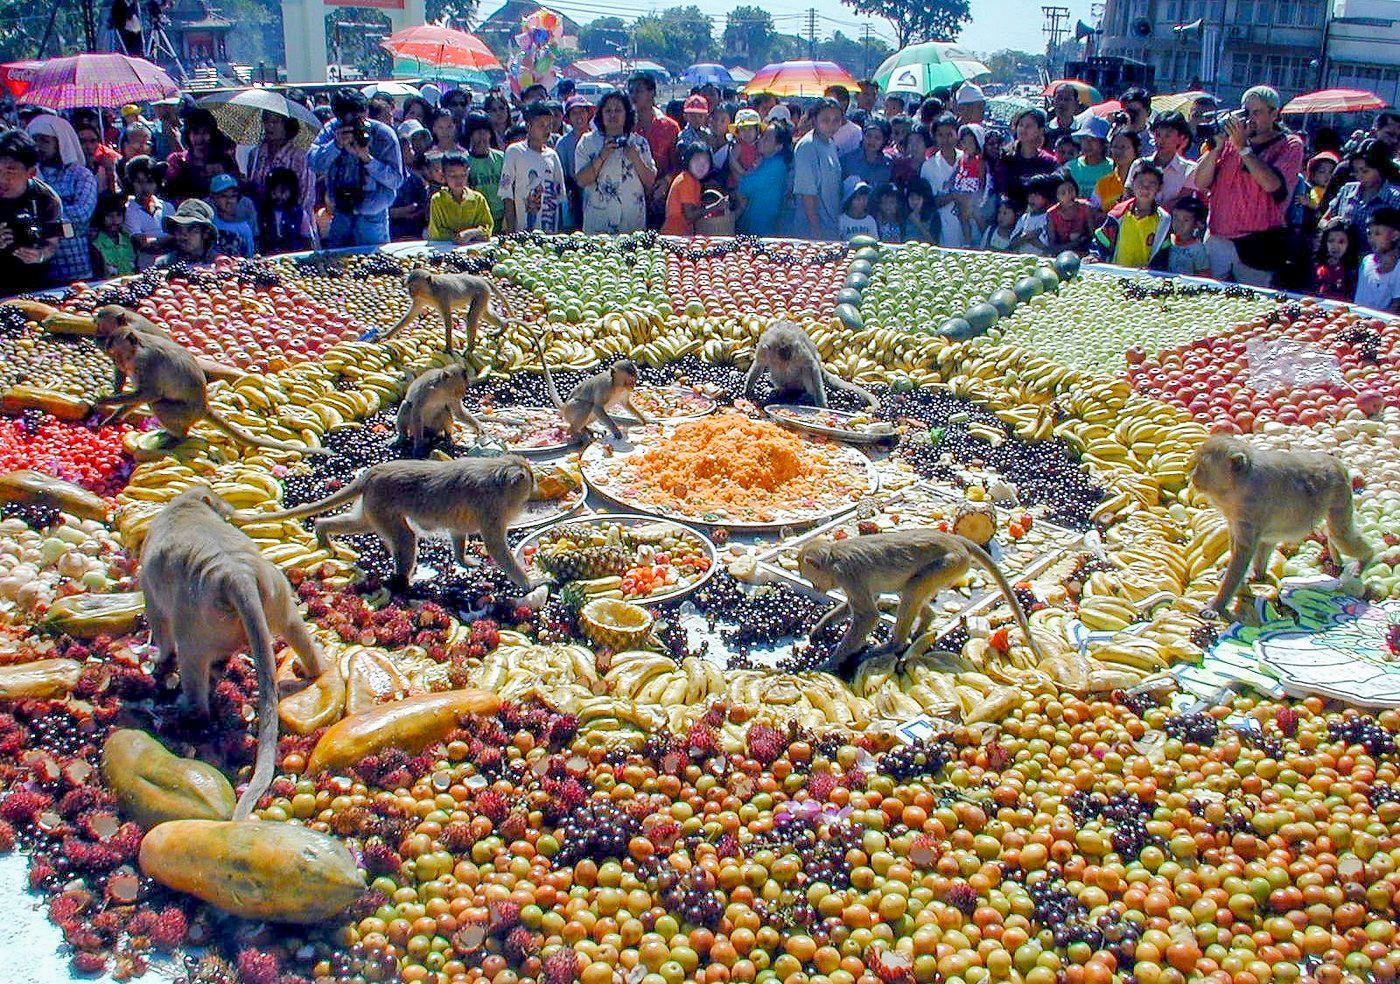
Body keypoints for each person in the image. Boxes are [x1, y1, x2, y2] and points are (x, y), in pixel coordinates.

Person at [1192, 84, 1305, 286]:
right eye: (1246, 112)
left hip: (1258, 244)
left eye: (1257, 112)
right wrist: (1215, 149)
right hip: (1218, 238)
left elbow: (1272, 184)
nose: (1250, 118)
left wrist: (1243, 148)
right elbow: (1200, 182)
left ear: (1274, 113)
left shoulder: (1289, 145)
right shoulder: (1231, 141)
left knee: (1252, 304)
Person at [309, 90, 405, 248]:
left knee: (375, 267)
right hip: (340, 212)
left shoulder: (383, 134)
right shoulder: (332, 129)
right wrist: (335, 145)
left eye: (355, 117)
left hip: (372, 216)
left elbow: (396, 180)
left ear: (365, 111)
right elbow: (313, 163)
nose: (350, 124)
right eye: (343, 118)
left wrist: (367, 159)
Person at [27, 115, 96, 284]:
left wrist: (42, 216)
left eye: (45, 141)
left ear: (61, 142)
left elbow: (81, 214)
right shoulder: (29, 176)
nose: (38, 146)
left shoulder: (80, 175)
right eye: (34, 140)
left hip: (76, 265)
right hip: (41, 268)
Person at [0, 130, 63, 292]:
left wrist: (40, 254)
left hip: (35, 282)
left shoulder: (47, 199)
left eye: (10, 171)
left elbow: (53, 243)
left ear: (31, 172)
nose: (2, 179)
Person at [246, 111, 314, 245]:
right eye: (266, 121)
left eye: (275, 122)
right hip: (263, 223)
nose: (269, 126)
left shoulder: (300, 156)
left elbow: (306, 196)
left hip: (294, 225)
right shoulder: (255, 154)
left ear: (287, 126)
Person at [1089, 162, 1170, 268]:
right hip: (1118, 273)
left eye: (1152, 183)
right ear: (1132, 183)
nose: (1145, 188)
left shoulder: (1163, 220)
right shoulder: (1118, 214)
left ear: (1159, 187)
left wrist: (1153, 268)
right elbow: (1102, 241)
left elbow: (1163, 253)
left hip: (1146, 279)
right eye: (1141, 182)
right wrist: (1095, 255)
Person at [502, 102, 566, 233]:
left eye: (549, 125)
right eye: (541, 125)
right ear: (528, 126)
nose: (546, 130)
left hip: (549, 228)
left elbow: (560, 197)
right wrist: (511, 230)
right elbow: (507, 194)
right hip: (523, 229)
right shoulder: (514, 152)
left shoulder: (552, 155)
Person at [1322, 139, 1400, 245]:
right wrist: (1330, 226)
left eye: (1365, 171)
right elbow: (1324, 220)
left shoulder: (1395, 198)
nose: (1359, 176)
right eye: (1355, 171)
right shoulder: (1346, 191)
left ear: (1380, 169)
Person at [630, 74, 680, 230]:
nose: (633, 96)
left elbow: (677, 164)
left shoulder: (670, 127)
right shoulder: (626, 126)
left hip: (661, 197)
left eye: (638, 91)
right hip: (631, 195)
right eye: (631, 91)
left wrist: (665, 182)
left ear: (651, 93)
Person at [791, 97, 844, 240]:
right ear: (815, 120)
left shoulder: (830, 143)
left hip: (830, 225)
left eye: (836, 120)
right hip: (812, 230)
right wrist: (816, 232)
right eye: (826, 120)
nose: (831, 125)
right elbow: (807, 194)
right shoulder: (807, 146)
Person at [164, 108, 240, 203]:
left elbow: (235, 187)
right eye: (195, 133)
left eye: (204, 133)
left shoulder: (224, 160)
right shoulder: (178, 160)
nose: (199, 138)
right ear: (188, 134)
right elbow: (170, 192)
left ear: (212, 134)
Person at [735, 120, 792, 237]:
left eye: (767, 139)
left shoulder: (776, 166)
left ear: (778, 147)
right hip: (755, 227)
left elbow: (744, 187)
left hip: (763, 229)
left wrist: (733, 161)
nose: (760, 140)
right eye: (762, 136)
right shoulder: (765, 160)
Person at [998, 108, 1059, 210]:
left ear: (1040, 130)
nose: (1023, 129)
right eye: (1021, 125)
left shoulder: (1049, 162)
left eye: (1029, 126)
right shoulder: (1006, 157)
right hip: (1009, 214)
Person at [427, 152, 493, 244]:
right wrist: (457, 236)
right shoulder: (437, 200)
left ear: (468, 173)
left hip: (473, 250)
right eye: (453, 176)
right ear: (443, 176)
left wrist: (471, 233)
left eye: (463, 175)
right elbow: (436, 231)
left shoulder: (478, 199)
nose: (459, 180)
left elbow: (487, 227)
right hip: (444, 248)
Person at [122, 155, 171, 270]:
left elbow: (179, 237)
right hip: (145, 268)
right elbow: (143, 244)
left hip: (171, 265)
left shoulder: (167, 207)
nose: (145, 187)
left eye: (149, 182)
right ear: (131, 183)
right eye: (139, 182)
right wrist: (170, 239)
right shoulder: (128, 210)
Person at [920, 113, 962, 247]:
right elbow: (928, 203)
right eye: (940, 135)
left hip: (968, 227)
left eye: (949, 134)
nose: (945, 140)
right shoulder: (929, 166)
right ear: (934, 137)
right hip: (943, 229)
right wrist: (954, 196)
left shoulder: (967, 159)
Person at [1140, 111, 1197, 208]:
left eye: (1167, 136)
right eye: (1158, 135)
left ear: (1181, 138)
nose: (1161, 141)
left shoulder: (1190, 169)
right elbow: (1130, 195)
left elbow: (1181, 201)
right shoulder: (1139, 164)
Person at [463, 115, 506, 230]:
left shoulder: (501, 158)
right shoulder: (464, 161)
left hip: (501, 217)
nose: (482, 136)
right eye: (477, 132)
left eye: (485, 131)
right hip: (477, 219)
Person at [557, 96, 594, 229]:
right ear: (569, 118)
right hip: (573, 195)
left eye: (582, 111)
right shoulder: (563, 143)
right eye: (574, 113)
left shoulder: (596, 139)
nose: (579, 116)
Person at [948, 123, 988, 245]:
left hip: (973, 193)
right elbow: (956, 171)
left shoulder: (979, 161)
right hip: (961, 189)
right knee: (963, 217)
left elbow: (981, 180)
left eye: (970, 143)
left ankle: (985, 239)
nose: (966, 146)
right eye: (964, 143)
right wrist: (950, 181)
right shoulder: (962, 158)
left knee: (977, 216)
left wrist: (979, 195)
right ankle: (967, 241)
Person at [1355, 207, 1400, 312]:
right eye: (1369, 233)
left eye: (1377, 233)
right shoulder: (1366, 261)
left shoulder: (1398, 267)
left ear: (1395, 235)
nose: (1371, 238)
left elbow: (1396, 305)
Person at [155, 199, 222, 267]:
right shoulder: (164, 263)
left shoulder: (220, 263)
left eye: (191, 230)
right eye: (179, 229)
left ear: (205, 233)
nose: (183, 236)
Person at [663, 143, 711, 236]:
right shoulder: (686, 180)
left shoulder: (694, 181)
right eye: (697, 160)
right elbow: (689, 215)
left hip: (682, 234)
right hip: (674, 235)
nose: (701, 165)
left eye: (706, 162)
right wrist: (715, 207)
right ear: (688, 160)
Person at [259, 167, 311, 254]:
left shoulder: (300, 214)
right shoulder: (261, 213)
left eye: (282, 192)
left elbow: (306, 242)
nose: (278, 196)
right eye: (274, 192)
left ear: (291, 192)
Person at [1065, 116, 1113, 207]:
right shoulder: (1070, 167)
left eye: (1093, 140)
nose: (1087, 144)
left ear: (1103, 143)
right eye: (1084, 139)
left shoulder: (1112, 168)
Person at [207, 173, 254, 258]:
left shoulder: (244, 228)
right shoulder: (207, 223)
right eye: (223, 196)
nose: (229, 201)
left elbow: (249, 258)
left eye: (233, 196)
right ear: (213, 198)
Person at [1047, 170, 1094, 253]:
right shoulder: (1052, 213)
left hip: (1085, 253)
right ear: (1056, 196)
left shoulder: (1085, 207)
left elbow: (1092, 236)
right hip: (1062, 254)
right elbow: (1053, 246)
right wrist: (1075, 243)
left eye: (1071, 190)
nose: (1068, 195)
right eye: (1063, 193)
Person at [1313, 216, 1358, 300]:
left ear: (1349, 244)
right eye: (1331, 241)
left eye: (1341, 242)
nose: (1335, 246)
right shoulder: (1317, 267)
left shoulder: (1354, 272)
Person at [91, 191, 135, 277]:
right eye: (109, 216)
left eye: (118, 215)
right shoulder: (96, 244)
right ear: (100, 217)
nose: (115, 220)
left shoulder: (128, 239)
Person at [1010, 172, 1055, 255]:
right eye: (1030, 194)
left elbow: (1051, 247)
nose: (1032, 198)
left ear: (1046, 196)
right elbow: (1012, 243)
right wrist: (1026, 237)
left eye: (1037, 195)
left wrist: (1035, 240)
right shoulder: (1024, 218)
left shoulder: (1050, 217)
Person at [389, 145, 428, 240]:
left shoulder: (416, 179)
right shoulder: (385, 177)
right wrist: (395, 213)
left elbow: (423, 203)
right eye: (409, 149)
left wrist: (417, 209)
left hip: (414, 231)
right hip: (390, 231)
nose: (413, 152)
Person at [841, 118, 893, 191]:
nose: (872, 141)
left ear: (884, 140)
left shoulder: (889, 164)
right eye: (868, 136)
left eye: (877, 138)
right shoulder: (847, 160)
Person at [1166, 196, 1210, 276]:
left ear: (1197, 224)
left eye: (1186, 220)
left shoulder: (1198, 249)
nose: (1179, 223)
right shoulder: (1168, 241)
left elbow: (1203, 274)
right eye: (1176, 218)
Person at [77, 121, 119, 195]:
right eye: (83, 141)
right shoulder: (70, 169)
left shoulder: (105, 162)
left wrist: (110, 172)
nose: (88, 146)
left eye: (93, 141)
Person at [726, 108, 763, 184]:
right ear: (738, 132)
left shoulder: (760, 144)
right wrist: (743, 172)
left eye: (750, 129)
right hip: (739, 180)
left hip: (755, 178)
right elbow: (732, 160)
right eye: (743, 130)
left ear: (757, 130)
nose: (747, 133)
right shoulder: (739, 145)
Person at [1117, 87, 1156, 157]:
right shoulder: (1114, 136)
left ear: (1148, 112)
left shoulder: (1153, 145)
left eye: (1135, 112)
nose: (1131, 116)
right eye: (1128, 112)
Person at [824, 85, 863, 154]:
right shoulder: (820, 129)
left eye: (831, 102)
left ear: (844, 103)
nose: (827, 106)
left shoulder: (855, 131)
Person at [1044, 83, 1084, 148]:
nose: (1062, 103)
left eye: (1067, 99)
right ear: (1053, 102)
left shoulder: (1082, 130)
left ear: (1076, 104)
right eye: (1059, 98)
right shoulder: (1045, 130)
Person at [903, 178, 936, 242]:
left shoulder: (933, 217)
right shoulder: (903, 216)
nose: (915, 202)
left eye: (918, 199)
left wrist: (918, 223)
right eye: (912, 198)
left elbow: (934, 243)